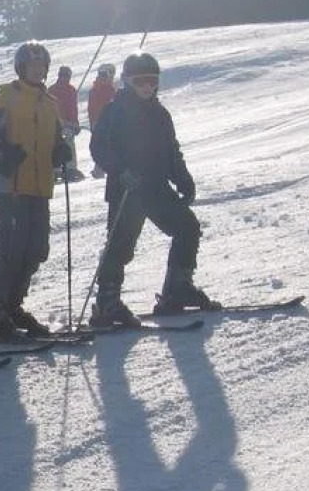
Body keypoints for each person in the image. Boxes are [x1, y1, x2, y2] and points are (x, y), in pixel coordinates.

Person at [88, 53, 219, 326]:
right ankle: (107, 303)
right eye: (141, 81)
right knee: (121, 245)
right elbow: (98, 147)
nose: (147, 86)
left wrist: (182, 178)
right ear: (127, 82)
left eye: (152, 81)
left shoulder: (160, 114)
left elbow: (172, 151)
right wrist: (121, 171)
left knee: (187, 227)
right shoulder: (115, 110)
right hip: (127, 189)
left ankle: (177, 289)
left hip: (156, 187)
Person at [0, 41, 73, 339]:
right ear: (21, 68)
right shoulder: (8, 97)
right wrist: (2, 153)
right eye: (32, 67)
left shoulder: (50, 103)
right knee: (12, 247)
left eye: (42, 67)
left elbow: (53, 141)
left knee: (35, 249)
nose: (38, 71)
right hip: (10, 185)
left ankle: (12, 306)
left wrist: (60, 151)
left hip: (39, 186)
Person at [48, 65, 85, 182]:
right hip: (55, 123)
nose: (64, 78)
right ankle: (58, 168)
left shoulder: (71, 90)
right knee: (59, 142)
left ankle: (70, 168)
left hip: (67, 124)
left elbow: (73, 108)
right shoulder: (52, 90)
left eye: (66, 76)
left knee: (68, 140)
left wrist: (74, 123)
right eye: (63, 76)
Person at [87, 64, 117, 178]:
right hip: (100, 121)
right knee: (102, 144)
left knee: (106, 144)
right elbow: (92, 108)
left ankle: (99, 168)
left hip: (104, 121)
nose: (104, 78)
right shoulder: (98, 90)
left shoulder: (107, 89)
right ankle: (99, 168)